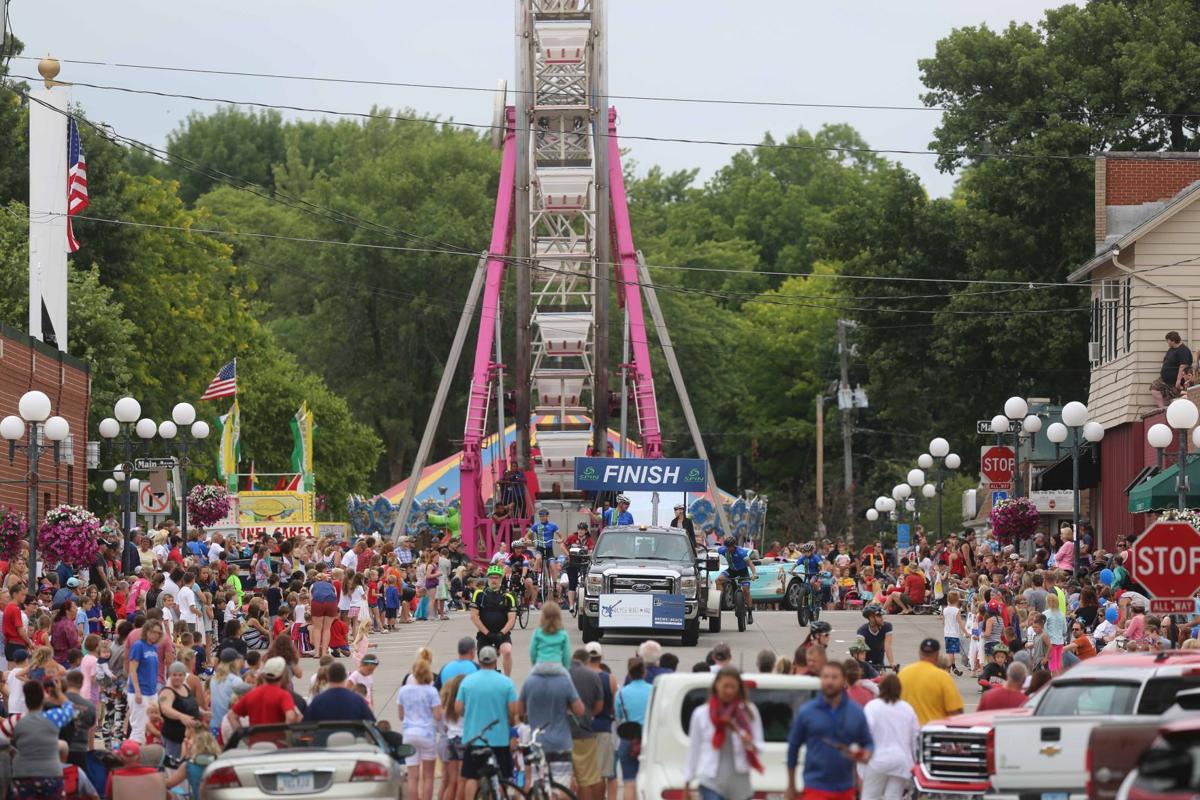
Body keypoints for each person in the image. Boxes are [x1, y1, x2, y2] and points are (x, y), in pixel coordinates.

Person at [785, 662, 871, 800]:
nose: (829, 681)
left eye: (834, 677)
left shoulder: (856, 712)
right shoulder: (807, 712)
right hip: (815, 788)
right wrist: (791, 786)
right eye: (825, 677)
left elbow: (869, 743)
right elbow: (793, 748)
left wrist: (866, 753)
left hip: (845, 789)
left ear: (843, 680)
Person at [684, 666, 765, 800]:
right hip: (710, 780)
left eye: (733, 687)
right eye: (725, 686)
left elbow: (759, 745)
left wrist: (748, 742)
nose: (729, 691)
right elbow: (694, 750)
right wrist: (687, 781)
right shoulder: (701, 714)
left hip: (740, 782)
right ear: (716, 686)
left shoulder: (749, 712)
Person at [517, 650, 585, 792]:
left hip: (538, 743)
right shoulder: (564, 681)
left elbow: (519, 710)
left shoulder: (530, 681)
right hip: (560, 742)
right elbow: (579, 710)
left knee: (539, 786)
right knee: (562, 788)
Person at [457, 646, 518, 798]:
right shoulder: (506, 682)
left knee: (471, 776)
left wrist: (470, 714)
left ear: (479, 660)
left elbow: (458, 708)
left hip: (474, 737)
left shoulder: (468, 682)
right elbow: (513, 710)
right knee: (503, 775)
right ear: (495, 660)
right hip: (499, 738)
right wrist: (509, 721)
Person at [12, 680, 75, 800]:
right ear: (42, 699)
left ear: (25, 700)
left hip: (22, 774)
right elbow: (69, 709)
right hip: (50, 773)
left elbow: (2, 741)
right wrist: (59, 693)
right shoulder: (53, 717)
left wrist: (13, 754)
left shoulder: (16, 720)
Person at [861, 674, 919, 800]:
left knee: (870, 795)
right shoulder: (907, 708)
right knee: (893, 796)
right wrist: (915, 762)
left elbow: (865, 732)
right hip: (901, 760)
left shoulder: (873, 706)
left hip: (877, 758)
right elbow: (915, 738)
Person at [398, 660, 442, 800]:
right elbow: (437, 715)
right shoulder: (432, 691)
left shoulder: (404, 690)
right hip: (427, 733)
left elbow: (401, 715)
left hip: (409, 733)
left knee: (412, 776)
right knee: (428, 776)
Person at [898, 639, 963, 726]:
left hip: (908, 731)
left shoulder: (903, 673)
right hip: (934, 733)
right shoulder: (943, 677)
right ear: (937, 656)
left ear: (920, 654)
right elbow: (955, 712)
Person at [226, 657, 301, 731]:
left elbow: (231, 715)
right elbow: (290, 717)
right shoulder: (283, 695)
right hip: (276, 740)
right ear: (283, 675)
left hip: (255, 741)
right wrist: (284, 733)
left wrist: (242, 734)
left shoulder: (252, 694)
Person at [614, 657, 653, 800]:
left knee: (629, 782)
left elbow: (618, 716)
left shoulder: (622, 693)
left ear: (629, 673)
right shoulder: (653, 690)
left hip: (628, 738)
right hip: (649, 738)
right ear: (644, 672)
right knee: (649, 781)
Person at [569, 647, 605, 800]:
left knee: (563, 778)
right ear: (587, 661)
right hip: (584, 732)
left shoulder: (562, 673)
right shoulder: (592, 676)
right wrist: (588, 714)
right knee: (586, 778)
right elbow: (599, 706)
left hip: (562, 733)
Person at [470, 566, 517, 676]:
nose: (494, 580)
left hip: (502, 634)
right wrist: (487, 633)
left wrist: (501, 633)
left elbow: (512, 619)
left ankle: (507, 679)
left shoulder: (508, 596)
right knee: (485, 661)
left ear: (501, 579)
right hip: (485, 634)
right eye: (491, 578)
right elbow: (474, 616)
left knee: (507, 651)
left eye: (497, 578)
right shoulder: (479, 594)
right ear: (488, 579)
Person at [126, 619, 162, 744]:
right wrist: (137, 691)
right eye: (153, 632)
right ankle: (131, 755)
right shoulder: (138, 646)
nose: (155, 635)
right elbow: (133, 670)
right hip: (140, 691)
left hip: (152, 691)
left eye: (158, 633)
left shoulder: (154, 648)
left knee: (150, 726)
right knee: (139, 729)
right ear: (146, 631)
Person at [158, 662, 202, 760]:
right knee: (174, 765)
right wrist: (181, 716)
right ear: (170, 675)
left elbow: (192, 706)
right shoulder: (167, 692)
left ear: (184, 676)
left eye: (180, 675)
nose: (177, 677)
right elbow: (165, 709)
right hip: (174, 738)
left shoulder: (186, 687)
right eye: (174, 675)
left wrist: (203, 713)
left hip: (190, 737)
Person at [306, 661, 375, 722]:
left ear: (328, 677)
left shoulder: (318, 701)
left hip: (325, 734)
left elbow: (307, 722)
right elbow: (370, 721)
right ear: (345, 677)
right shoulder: (357, 700)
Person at [716, 536, 758, 625]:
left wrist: (754, 574)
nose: (727, 549)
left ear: (734, 546)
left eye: (729, 547)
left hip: (743, 572)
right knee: (718, 580)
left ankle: (750, 612)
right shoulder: (723, 550)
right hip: (731, 570)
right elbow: (714, 553)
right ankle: (720, 601)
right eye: (726, 547)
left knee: (746, 591)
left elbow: (750, 563)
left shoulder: (741, 552)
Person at [1152, 330, 1193, 407]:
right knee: (1155, 388)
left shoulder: (1183, 350)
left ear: (1173, 341)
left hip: (1175, 381)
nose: (1167, 343)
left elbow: (1183, 366)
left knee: (1176, 398)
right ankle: (1162, 409)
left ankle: (1174, 411)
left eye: (1168, 341)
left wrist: (1178, 380)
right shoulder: (1171, 349)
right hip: (1165, 379)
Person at [529, 601, 571, 669]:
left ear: (542, 616)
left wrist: (534, 666)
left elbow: (532, 652)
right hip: (557, 667)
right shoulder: (563, 634)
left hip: (540, 666)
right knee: (569, 679)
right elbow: (566, 655)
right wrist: (566, 669)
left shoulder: (537, 632)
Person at [857, 606, 897, 671]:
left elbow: (888, 645)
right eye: (879, 616)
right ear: (871, 617)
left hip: (879, 661)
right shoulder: (862, 630)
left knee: (884, 678)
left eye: (882, 616)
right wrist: (861, 663)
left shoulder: (887, 626)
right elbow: (861, 648)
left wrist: (891, 662)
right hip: (865, 661)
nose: (882, 618)